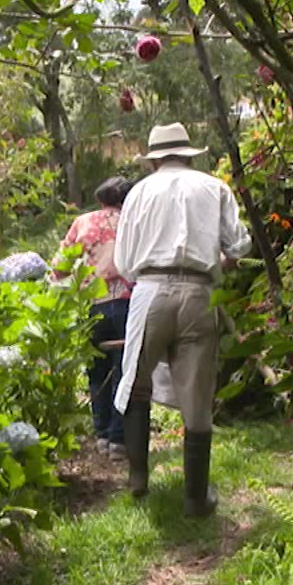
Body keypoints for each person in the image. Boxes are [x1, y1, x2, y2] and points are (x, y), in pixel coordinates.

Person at [112, 124, 250, 516]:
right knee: (197, 395)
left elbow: (124, 262)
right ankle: (195, 498)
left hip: (151, 289)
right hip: (199, 293)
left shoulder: (139, 192)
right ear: (189, 154)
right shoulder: (214, 187)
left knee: (136, 382)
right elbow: (239, 245)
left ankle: (138, 479)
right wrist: (213, 266)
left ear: (154, 158)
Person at [54, 176, 135, 455]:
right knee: (124, 372)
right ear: (127, 199)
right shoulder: (134, 221)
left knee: (97, 371)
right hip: (128, 302)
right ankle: (118, 439)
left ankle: (101, 434)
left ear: (101, 198)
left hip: (93, 304)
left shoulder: (83, 222)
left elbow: (60, 267)